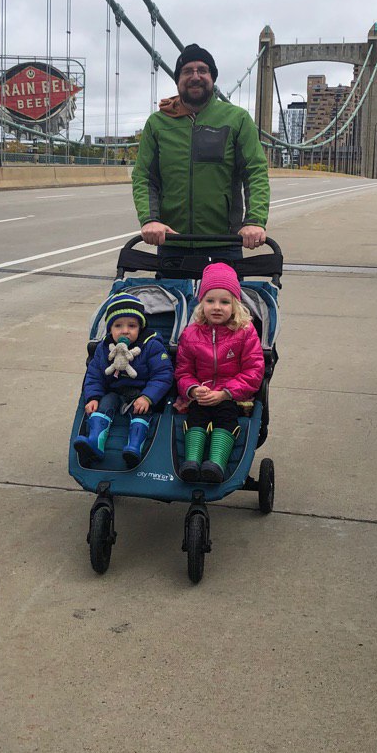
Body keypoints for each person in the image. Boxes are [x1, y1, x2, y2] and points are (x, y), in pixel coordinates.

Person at [132, 44, 271, 265]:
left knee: (223, 301)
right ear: (178, 80)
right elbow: (144, 178)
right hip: (172, 242)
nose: (195, 76)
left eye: (202, 70)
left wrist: (254, 221)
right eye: (187, 71)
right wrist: (150, 220)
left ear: (212, 78)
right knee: (172, 299)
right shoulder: (157, 123)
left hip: (224, 244)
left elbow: (255, 173)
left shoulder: (237, 119)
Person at [173, 263, 265, 483]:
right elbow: (183, 370)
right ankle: (192, 461)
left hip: (232, 395)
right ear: (201, 303)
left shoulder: (244, 332)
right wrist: (193, 389)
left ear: (235, 305)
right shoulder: (191, 333)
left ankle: (216, 463)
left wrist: (225, 392)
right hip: (201, 395)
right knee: (196, 416)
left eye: (225, 302)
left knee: (225, 417)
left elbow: (254, 370)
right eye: (210, 301)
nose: (217, 307)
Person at [75, 292, 174, 468]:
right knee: (104, 405)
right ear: (110, 329)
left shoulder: (151, 345)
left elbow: (163, 374)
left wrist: (148, 397)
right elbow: (94, 375)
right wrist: (93, 397)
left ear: (140, 327)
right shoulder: (105, 347)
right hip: (115, 391)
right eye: (118, 325)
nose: (125, 330)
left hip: (142, 393)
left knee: (141, 413)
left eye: (132, 325)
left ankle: (134, 447)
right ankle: (94, 443)